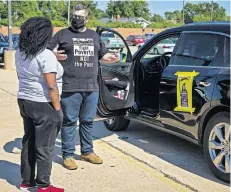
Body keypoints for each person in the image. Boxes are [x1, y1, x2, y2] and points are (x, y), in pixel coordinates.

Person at [47, 4, 120, 170]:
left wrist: (113, 57)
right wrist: (54, 55)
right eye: (74, 16)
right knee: (69, 121)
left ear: (86, 18)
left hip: (92, 86)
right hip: (70, 86)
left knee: (87, 121)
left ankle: (87, 151)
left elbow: (103, 55)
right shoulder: (62, 34)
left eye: (80, 17)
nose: (76, 19)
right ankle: (68, 155)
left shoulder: (94, 36)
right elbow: (45, 51)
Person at [15, 17, 64, 192]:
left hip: (25, 101)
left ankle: (26, 182)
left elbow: (22, 75)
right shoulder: (45, 55)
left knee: (29, 141)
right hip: (43, 104)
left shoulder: (20, 51)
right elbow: (51, 86)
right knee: (45, 146)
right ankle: (44, 186)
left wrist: (53, 57)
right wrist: (57, 109)